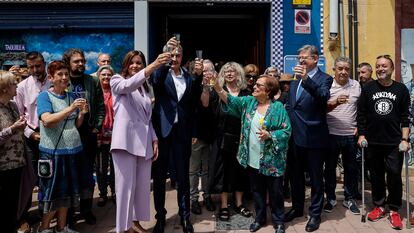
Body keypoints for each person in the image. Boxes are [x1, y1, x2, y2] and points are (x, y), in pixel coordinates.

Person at [208, 73, 291, 233]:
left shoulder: (277, 107)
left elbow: (286, 130)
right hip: (253, 158)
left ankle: (278, 221)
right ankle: (259, 219)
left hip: (272, 160)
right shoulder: (249, 102)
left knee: (275, 193)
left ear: (268, 91)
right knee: (257, 191)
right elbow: (231, 100)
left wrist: (271, 135)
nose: (254, 86)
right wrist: (218, 87)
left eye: (259, 85)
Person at [110, 50, 169, 233]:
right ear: (126, 65)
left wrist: (154, 139)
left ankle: (135, 222)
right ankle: (124, 228)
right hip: (125, 143)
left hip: (144, 144)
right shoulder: (117, 80)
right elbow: (127, 86)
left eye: (139, 63)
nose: (135, 66)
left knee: (142, 187)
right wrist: (154, 65)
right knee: (125, 189)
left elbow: (147, 119)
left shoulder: (144, 88)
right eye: (132, 63)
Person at [150, 37, 203, 233]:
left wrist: (198, 77)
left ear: (182, 57)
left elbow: (193, 105)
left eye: (177, 54)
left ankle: (185, 217)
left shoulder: (188, 77)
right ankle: (161, 218)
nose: (174, 58)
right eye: (171, 54)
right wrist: (165, 57)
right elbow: (155, 81)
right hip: (163, 132)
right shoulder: (160, 74)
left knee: (183, 177)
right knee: (159, 177)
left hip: (182, 133)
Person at [357, 55, 410, 230]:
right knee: (376, 175)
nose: (380, 69)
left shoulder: (401, 89)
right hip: (372, 141)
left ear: (392, 68)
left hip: (394, 142)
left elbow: (405, 118)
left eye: (384, 66)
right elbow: (362, 114)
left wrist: (405, 139)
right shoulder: (368, 89)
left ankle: (394, 209)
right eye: (378, 66)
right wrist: (362, 135)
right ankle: (379, 205)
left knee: (394, 175)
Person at [284, 45, 333, 232]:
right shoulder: (295, 80)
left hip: (314, 137)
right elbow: (291, 105)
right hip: (294, 137)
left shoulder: (325, 78)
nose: (301, 61)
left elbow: (322, 97)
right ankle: (297, 208)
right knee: (295, 177)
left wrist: (305, 78)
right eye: (299, 58)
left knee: (315, 178)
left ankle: (314, 214)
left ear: (315, 59)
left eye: (305, 57)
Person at [36, 60, 88, 233]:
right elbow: (47, 121)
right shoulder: (44, 96)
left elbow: (74, 125)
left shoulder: (70, 96)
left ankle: (61, 227)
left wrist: (82, 114)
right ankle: (44, 228)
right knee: (54, 193)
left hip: (73, 150)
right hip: (53, 153)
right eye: (60, 75)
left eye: (66, 74)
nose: (65, 77)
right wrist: (71, 108)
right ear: (51, 78)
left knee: (66, 193)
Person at [202, 62, 252, 222]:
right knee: (222, 172)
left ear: (239, 75)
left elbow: (236, 107)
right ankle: (224, 205)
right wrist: (207, 87)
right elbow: (206, 105)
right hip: (221, 137)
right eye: (226, 71)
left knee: (240, 171)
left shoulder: (246, 92)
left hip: (240, 137)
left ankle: (238, 203)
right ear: (222, 75)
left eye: (233, 71)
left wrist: (217, 88)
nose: (230, 73)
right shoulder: (216, 92)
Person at [62, 48, 105, 225]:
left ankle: (87, 209)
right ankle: (70, 211)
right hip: (68, 134)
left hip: (88, 134)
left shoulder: (92, 81)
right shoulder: (63, 81)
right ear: (68, 63)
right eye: (76, 61)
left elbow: (101, 106)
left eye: (82, 61)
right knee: (70, 174)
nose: (80, 64)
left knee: (87, 174)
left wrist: (97, 126)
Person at [14, 51, 50, 233]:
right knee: (29, 179)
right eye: (31, 67)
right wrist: (30, 134)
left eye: (38, 65)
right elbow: (19, 115)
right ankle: (23, 218)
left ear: (44, 63)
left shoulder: (54, 82)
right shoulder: (21, 87)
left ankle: (47, 213)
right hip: (30, 137)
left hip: (51, 135)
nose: (35, 70)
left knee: (49, 176)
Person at [324, 57, 361, 215]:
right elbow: (320, 109)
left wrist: (360, 127)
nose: (344, 72)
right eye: (340, 68)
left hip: (350, 135)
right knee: (330, 169)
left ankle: (349, 198)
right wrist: (335, 102)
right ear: (334, 70)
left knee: (351, 169)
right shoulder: (327, 85)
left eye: (347, 68)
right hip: (331, 134)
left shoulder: (356, 85)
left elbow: (362, 108)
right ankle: (331, 198)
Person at [0, 70, 27, 233]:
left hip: (17, 163)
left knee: (13, 204)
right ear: (4, 88)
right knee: (3, 205)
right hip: (2, 167)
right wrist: (12, 129)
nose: (17, 85)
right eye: (13, 83)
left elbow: (17, 130)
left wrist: (21, 126)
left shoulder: (12, 105)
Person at [189, 59, 216, 215]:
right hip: (196, 134)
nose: (206, 73)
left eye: (209, 70)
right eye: (204, 70)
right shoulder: (194, 86)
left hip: (211, 134)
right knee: (193, 170)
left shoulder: (217, 87)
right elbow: (193, 109)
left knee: (207, 169)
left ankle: (207, 196)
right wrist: (192, 132)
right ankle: (193, 199)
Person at [95, 65, 116, 207]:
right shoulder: (95, 92)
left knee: (116, 167)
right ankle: (102, 193)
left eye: (109, 75)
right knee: (101, 167)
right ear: (99, 77)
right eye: (103, 75)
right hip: (99, 135)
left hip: (115, 135)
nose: (106, 77)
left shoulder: (117, 92)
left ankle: (115, 191)